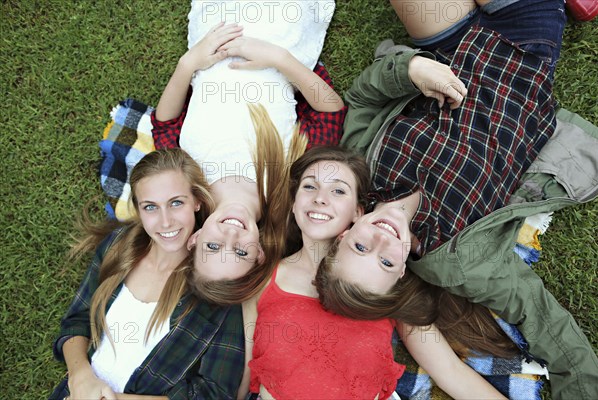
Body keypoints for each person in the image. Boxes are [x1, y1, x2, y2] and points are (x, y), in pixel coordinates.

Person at [315, 0, 598, 399]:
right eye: (384, 260)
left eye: (360, 247)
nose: (380, 240)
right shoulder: (461, 261)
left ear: (344, 234)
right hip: (521, 53)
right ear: (401, 272)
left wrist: (413, 70)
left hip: (449, 47)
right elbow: (545, 321)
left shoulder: (361, 171)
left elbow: (362, 98)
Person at [238, 146, 512, 400]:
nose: (320, 199)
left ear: (358, 213)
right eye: (310, 187)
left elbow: (450, 372)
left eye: (339, 191)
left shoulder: (382, 283)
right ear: (294, 204)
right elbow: (243, 372)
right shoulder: (262, 280)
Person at [152, 1, 345, 304]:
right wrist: (279, 58)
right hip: (282, 30)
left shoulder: (186, 188)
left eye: (213, 247)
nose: (230, 236)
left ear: (194, 239)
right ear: (259, 254)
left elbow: (165, 125)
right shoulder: (287, 188)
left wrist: (188, 64)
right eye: (240, 252)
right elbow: (331, 112)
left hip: (215, 30)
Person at [49, 149, 245, 400]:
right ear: (139, 211)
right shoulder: (118, 246)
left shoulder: (219, 281)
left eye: (176, 203)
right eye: (151, 207)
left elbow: (215, 392)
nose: (165, 222)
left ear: (196, 201)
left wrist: (113, 398)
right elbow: (76, 320)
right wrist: (80, 377)